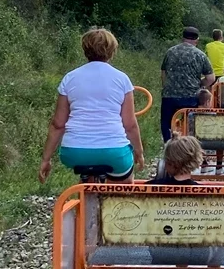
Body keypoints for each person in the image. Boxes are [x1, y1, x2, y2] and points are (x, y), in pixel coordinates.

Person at [38, 28, 144, 183]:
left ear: (85, 50)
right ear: (112, 50)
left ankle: (83, 202)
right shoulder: (122, 79)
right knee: (125, 186)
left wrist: (45, 159)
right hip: (113, 151)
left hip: (74, 152)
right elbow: (129, 125)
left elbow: (57, 124)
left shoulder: (70, 78)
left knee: (85, 183)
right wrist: (139, 152)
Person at [146, 136, 224, 269]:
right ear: (195, 160)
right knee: (214, 235)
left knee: (177, 234)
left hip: (156, 251)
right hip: (197, 253)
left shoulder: (148, 188)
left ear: (167, 162)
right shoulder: (203, 195)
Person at [161, 27, 215, 142]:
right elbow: (211, 78)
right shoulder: (200, 55)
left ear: (182, 38)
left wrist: (167, 87)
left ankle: (168, 146)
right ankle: (189, 147)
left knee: (167, 123)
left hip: (169, 96)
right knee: (190, 124)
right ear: (197, 40)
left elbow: (164, 73)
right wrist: (199, 84)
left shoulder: (170, 52)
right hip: (190, 97)